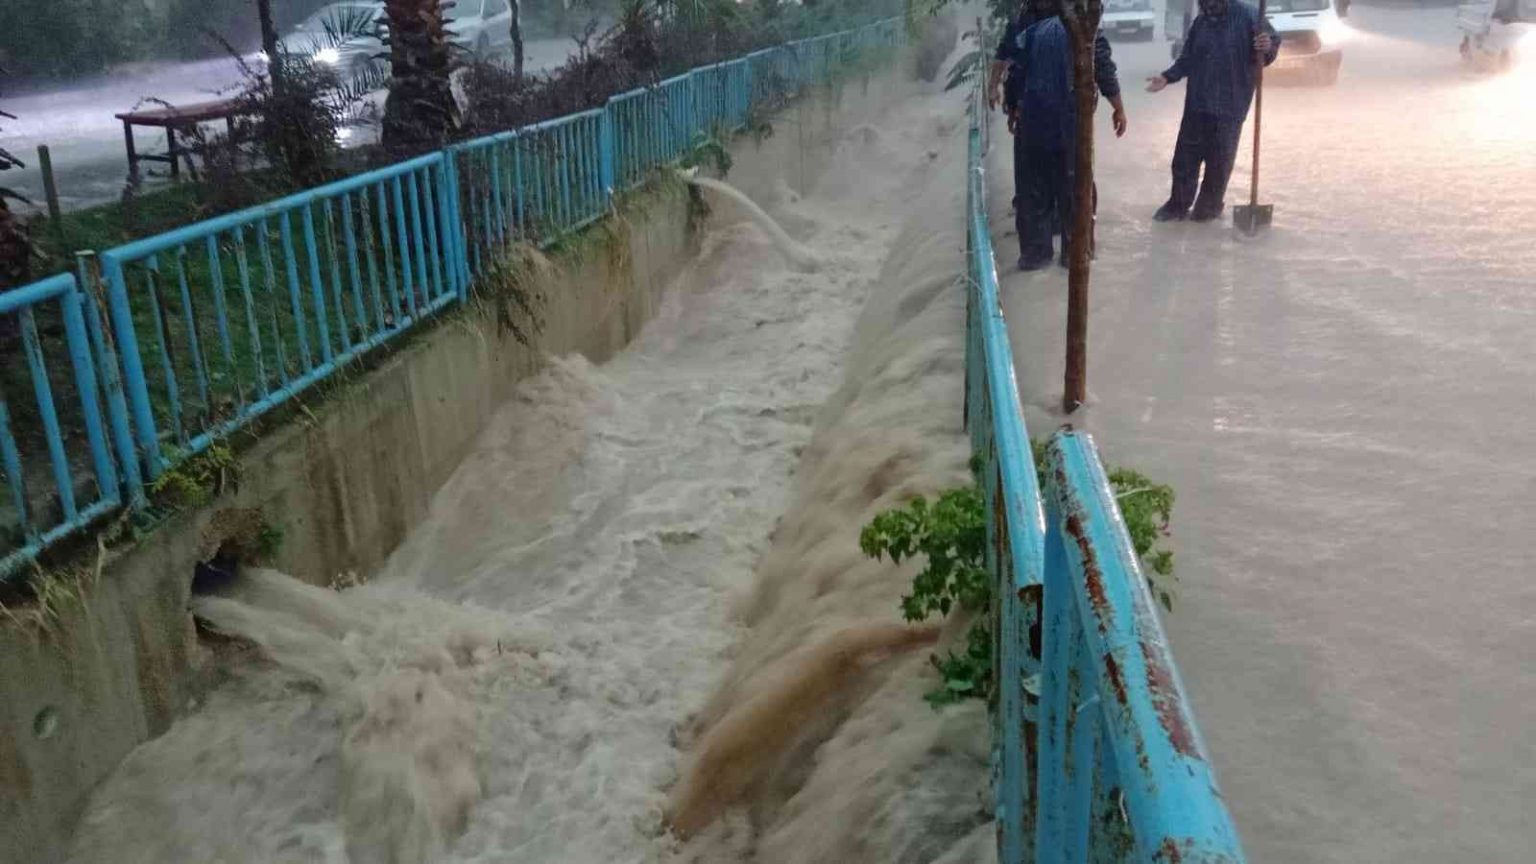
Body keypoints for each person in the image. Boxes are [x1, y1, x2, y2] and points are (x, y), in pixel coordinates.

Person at [994, 0, 1127, 270]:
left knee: (1036, 192)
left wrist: (1012, 106)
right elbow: (1102, 65)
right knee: (1073, 188)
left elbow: (1015, 69)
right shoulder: (1081, 23)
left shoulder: (1028, 25)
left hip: (1039, 122)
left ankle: (1038, 254)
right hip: (1069, 124)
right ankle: (1075, 252)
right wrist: (1118, 108)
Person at [1146, 0, 1279, 223]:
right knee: (1184, 161)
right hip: (1197, 105)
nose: (1206, 5)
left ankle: (1207, 211)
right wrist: (1167, 77)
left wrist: (1267, 47)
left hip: (1230, 108)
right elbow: (1187, 59)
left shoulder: (1249, 16)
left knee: (1219, 166)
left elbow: (1270, 47)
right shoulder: (1201, 22)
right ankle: (1177, 206)